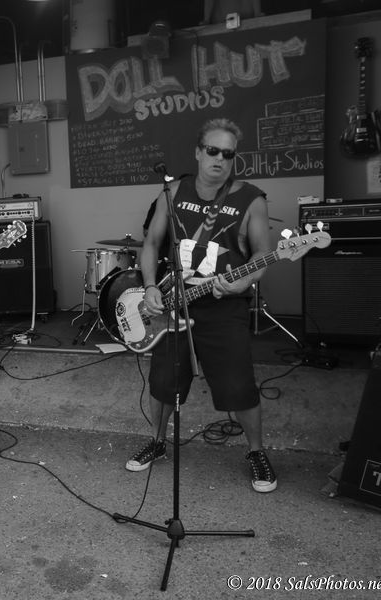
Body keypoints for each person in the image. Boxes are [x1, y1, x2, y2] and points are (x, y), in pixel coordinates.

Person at [127, 118, 278, 493]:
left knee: (238, 384)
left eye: (228, 154)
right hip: (174, 301)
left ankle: (256, 452)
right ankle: (157, 441)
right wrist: (150, 287)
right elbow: (151, 243)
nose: (220, 159)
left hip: (223, 305)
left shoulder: (251, 199)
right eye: (213, 151)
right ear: (198, 152)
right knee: (163, 382)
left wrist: (242, 281)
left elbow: (263, 254)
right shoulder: (172, 192)